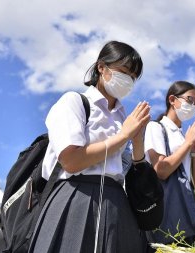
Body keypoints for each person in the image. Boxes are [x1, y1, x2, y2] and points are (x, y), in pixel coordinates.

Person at [29, 41, 150, 253]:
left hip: (116, 202)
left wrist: (137, 140)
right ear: (101, 67)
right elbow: (71, 160)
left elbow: (127, 168)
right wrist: (123, 135)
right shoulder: (74, 102)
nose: (128, 80)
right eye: (123, 71)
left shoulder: (122, 116)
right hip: (76, 196)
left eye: (133, 77)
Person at [144, 81, 195, 248]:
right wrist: (188, 143)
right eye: (189, 100)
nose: (192, 106)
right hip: (165, 213)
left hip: (185, 211)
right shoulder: (156, 127)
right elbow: (161, 170)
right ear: (172, 99)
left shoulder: (183, 136)